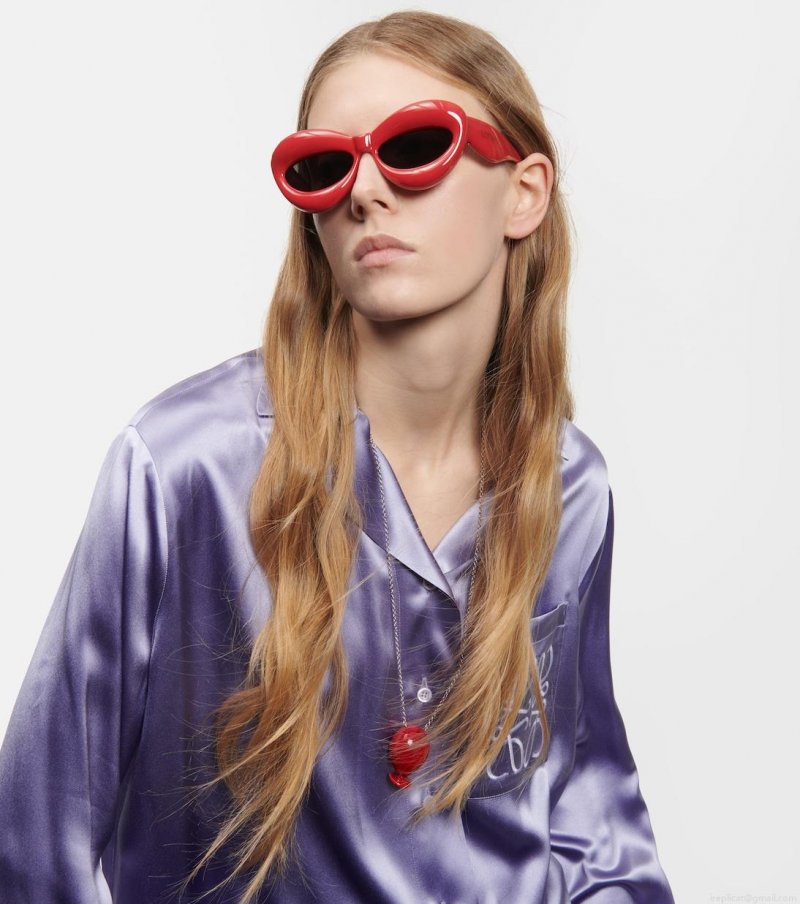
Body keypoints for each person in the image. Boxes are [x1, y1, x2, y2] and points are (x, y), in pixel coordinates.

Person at [0, 10, 675, 904]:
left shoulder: (569, 483)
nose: (364, 192)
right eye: (324, 167)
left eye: (415, 146)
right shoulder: (186, 468)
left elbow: (589, 809)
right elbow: (35, 839)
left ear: (525, 192)